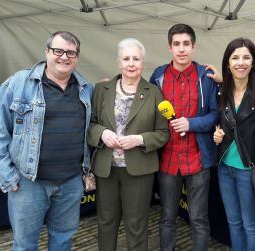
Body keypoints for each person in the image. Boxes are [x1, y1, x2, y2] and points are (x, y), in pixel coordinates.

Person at [0, 31, 93, 250]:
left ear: (77, 56)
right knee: (25, 245)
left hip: (71, 181)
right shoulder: (18, 83)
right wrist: (9, 176)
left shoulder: (85, 89)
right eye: (58, 51)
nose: (64, 57)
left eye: (71, 52)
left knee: (63, 240)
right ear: (47, 52)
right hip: (28, 182)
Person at [87, 38, 169, 251]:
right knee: (106, 222)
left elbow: (163, 133)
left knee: (136, 224)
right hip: (107, 168)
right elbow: (91, 124)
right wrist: (102, 133)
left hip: (140, 169)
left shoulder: (154, 92)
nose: (131, 63)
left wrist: (140, 139)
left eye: (136, 59)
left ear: (143, 62)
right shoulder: (101, 89)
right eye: (126, 58)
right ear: (118, 62)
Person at [149, 23, 218, 251]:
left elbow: (215, 114)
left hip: (197, 159)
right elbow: (146, 107)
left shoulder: (205, 77)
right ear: (169, 47)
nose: (181, 49)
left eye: (186, 44)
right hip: (167, 159)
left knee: (198, 218)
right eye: (176, 44)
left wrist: (191, 123)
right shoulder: (158, 76)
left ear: (194, 46)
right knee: (167, 217)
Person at [212, 38, 255, 251]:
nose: (241, 62)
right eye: (235, 57)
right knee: (234, 222)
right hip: (224, 167)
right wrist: (217, 134)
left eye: (246, 57)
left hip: (250, 169)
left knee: (252, 225)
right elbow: (222, 123)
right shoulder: (222, 91)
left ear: (254, 62)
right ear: (227, 63)